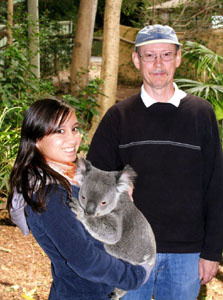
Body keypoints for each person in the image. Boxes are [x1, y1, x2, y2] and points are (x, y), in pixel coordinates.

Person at [87, 24, 223, 300]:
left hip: (187, 254)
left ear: (178, 58)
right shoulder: (118, 117)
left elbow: (216, 186)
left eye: (166, 55)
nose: (158, 64)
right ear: (136, 60)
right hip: (129, 252)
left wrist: (212, 251)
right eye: (149, 56)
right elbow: (93, 183)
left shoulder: (201, 114)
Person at [7, 98, 151, 300]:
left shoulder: (68, 178)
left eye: (74, 129)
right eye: (59, 131)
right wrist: (135, 276)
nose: (73, 139)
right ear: (36, 139)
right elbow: (85, 260)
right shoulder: (49, 195)